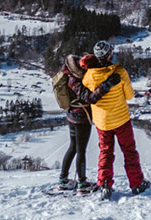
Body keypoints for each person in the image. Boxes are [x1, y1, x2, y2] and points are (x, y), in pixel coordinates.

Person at [81, 40, 150, 198]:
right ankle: (137, 183)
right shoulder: (119, 71)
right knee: (129, 151)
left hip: (102, 122)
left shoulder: (89, 76)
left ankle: (105, 184)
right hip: (121, 120)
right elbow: (130, 95)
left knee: (105, 152)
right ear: (109, 54)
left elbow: (87, 90)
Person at [51, 53, 120, 192]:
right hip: (81, 118)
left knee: (73, 147)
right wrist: (106, 86)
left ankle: (63, 180)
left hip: (71, 115)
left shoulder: (69, 71)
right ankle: (82, 183)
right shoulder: (74, 81)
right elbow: (89, 98)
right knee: (81, 150)